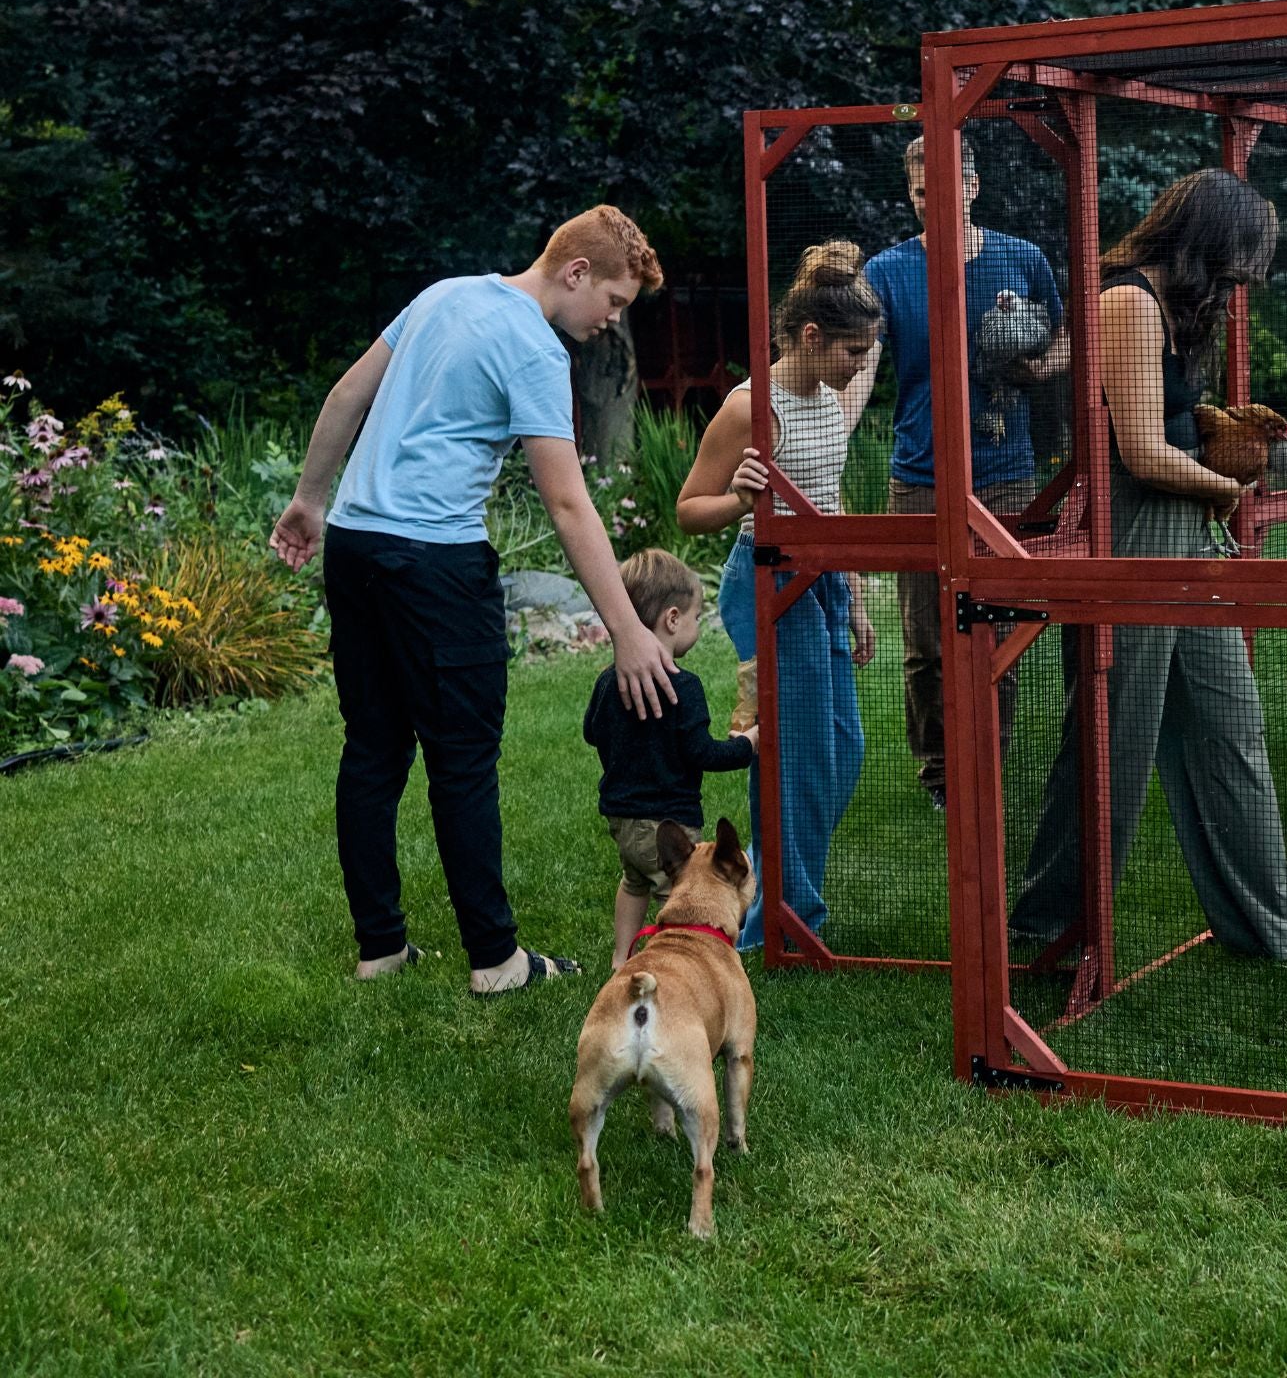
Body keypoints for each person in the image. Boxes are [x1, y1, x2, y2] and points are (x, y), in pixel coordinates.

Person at [270, 206, 675, 994]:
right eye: (617, 303)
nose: (611, 322)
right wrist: (626, 630)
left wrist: (309, 501)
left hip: (354, 545)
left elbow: (348, 393)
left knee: (374, 749)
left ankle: (379, 947)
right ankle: (496, 960)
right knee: (462, 763)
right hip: (434, 563)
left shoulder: (444, 294)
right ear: (577, 272)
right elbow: (568, 504)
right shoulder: (532, 347)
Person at [1008, 170, 1287, 969]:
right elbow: (1141, 453)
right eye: (1234, 261)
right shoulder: (1127, 301)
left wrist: (1219, 448)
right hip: (1135, 535)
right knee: (1113, 740)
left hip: (1184, 533)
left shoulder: (1172, 306)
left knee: (1234, 730)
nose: (1237, 282)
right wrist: (1228, 487)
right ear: (1205, 241)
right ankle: (1046, 927)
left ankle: (1280, 933)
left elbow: (1170, 426)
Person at [845, 135, 1067, 810]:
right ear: (909, 195)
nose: (930, 202)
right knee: (926, 640)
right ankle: (942, 773)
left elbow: (1066, 344)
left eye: (943, 188)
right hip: (921, 476)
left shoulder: (1020, 259)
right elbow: (862, 363)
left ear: (972, 186)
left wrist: (1037, 365)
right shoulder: (885, 272)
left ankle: (988, 763)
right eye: (918, 192)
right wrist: (832, 428)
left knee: (1001, 631)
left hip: (1006, 472)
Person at [675, 241, 880, 951]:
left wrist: (853, 596)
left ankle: (779, 898)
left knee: (842, 750)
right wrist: (738, 498)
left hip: (821, 578)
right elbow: (689, 508)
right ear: (812, 337)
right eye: (853, 350)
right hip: (765, 579)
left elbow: (829, 497)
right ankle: (782, 926)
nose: (862, 366)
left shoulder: (827, 398)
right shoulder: (749, 409)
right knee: (793, 756)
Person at [583, 548, 759, 969]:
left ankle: (620, 958)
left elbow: (593, 732)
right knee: (676, 894)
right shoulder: (685, 687)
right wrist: (747, 744)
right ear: (673, 618)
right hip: (668, 824)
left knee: (633, 881)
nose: (697, 626)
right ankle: (675, 965)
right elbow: (702, 753)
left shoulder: (610, 680)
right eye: (697, 617)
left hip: (622, 820)